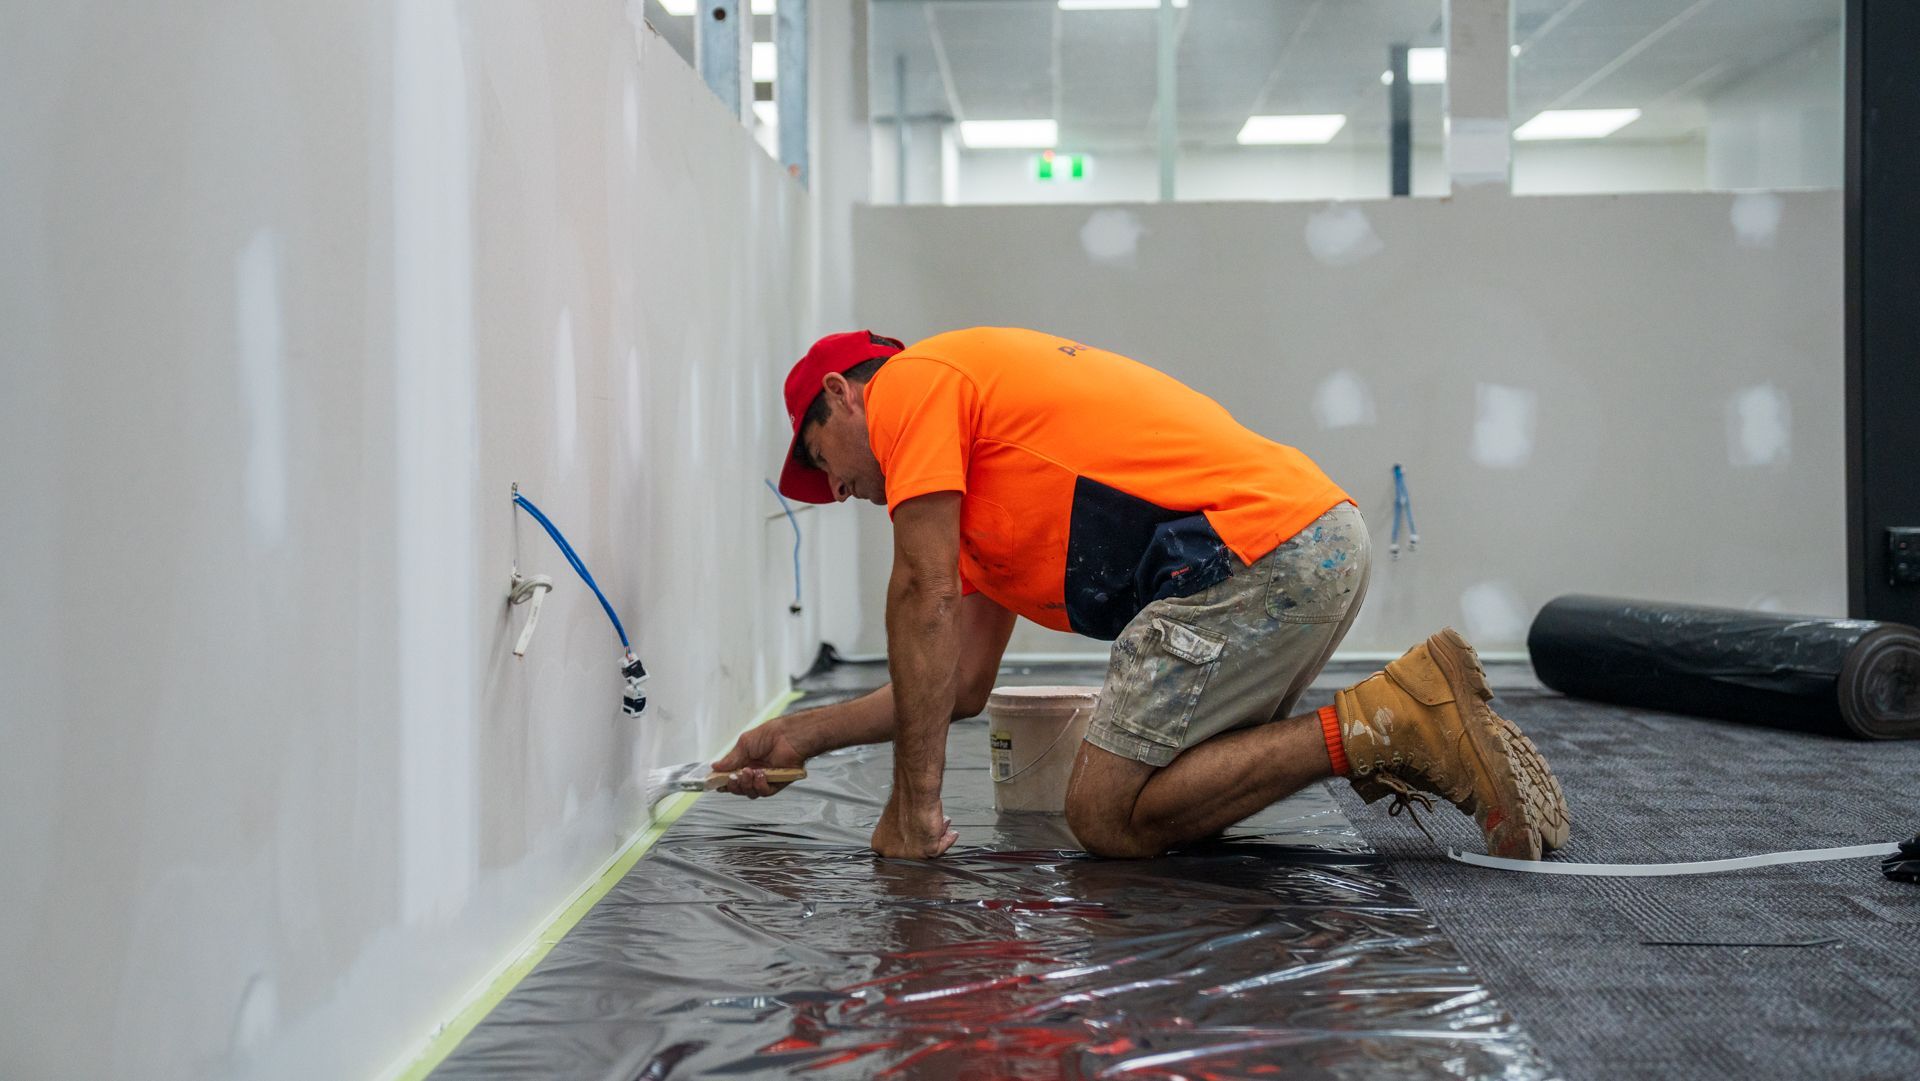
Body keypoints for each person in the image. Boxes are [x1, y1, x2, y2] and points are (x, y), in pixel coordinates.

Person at [717, 327, 1570, 861]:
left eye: (822, 459)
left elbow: (920, 589)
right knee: (1165, 806)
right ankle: (1400, 725)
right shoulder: (983, 503)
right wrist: (801, 735)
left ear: (842, 394)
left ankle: (1393, 719)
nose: (833, 489)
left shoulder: (913, 384)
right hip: (1302, 545)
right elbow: (959, 683)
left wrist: (915, 809)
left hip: (1256, 556)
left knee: (1105, 814)